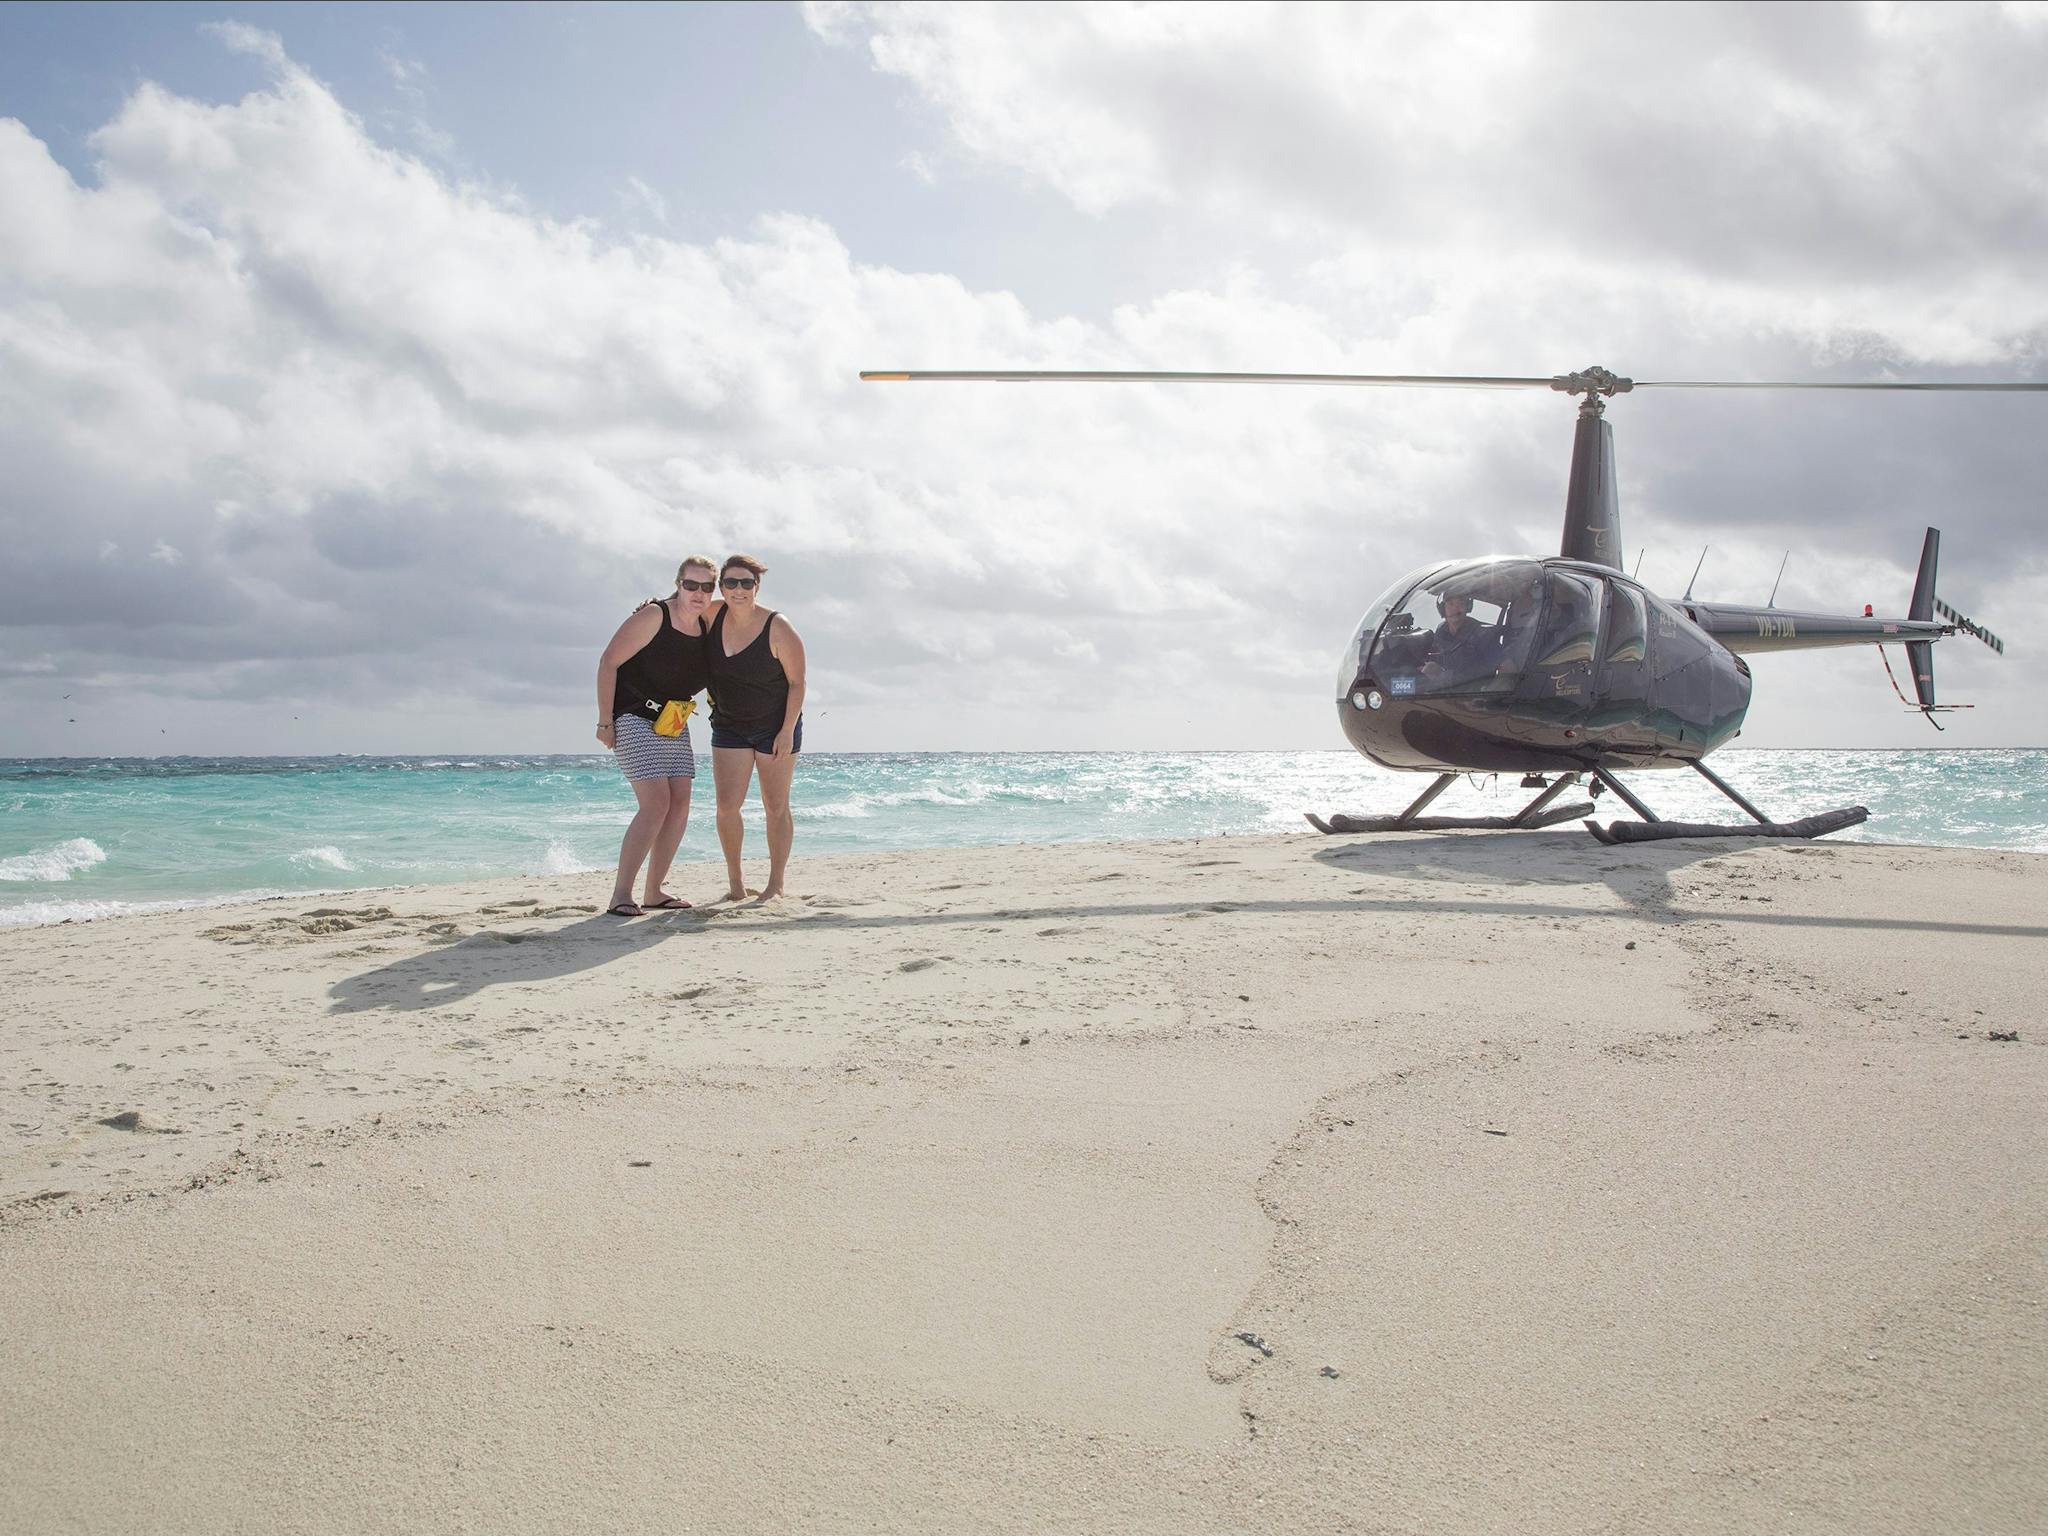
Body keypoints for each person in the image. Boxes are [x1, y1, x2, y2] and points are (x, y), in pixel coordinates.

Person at [594, 556, 718, 916]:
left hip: (673, 720)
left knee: (680, 803)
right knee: (656, 803)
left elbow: (745, 612)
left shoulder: (708, 623)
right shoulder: (655, 615)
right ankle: (621, 894)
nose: (698, 593)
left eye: (706, 587)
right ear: (678, 585)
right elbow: (609, 662)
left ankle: (654, 890)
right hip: (632, 715)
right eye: (690, 585)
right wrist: (605, 721)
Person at [704, 554, 807, 902]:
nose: (739, 589)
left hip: (775, 728)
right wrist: (651, 606)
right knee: (726, 807)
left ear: (757, 587)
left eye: (746, 583)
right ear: (721, 587)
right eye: (731, 582)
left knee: (775, 806)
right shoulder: (712, 614)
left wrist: (786, 731)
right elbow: (678, 611)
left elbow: (797, 683)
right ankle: (736, 882)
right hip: (729, 726)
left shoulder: (778, 627)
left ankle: (776, 884)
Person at [1422, 593, 1495, 684]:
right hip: (1446, 687)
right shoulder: (1441, 631)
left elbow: (1496, 668)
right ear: (1442, 609)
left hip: (1474, 688)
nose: (1455, 609)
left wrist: (1446, 675)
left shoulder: (1482, 633)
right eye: (1450, 604)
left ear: (1467, 607)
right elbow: (1438, 656)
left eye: (1461, 604)